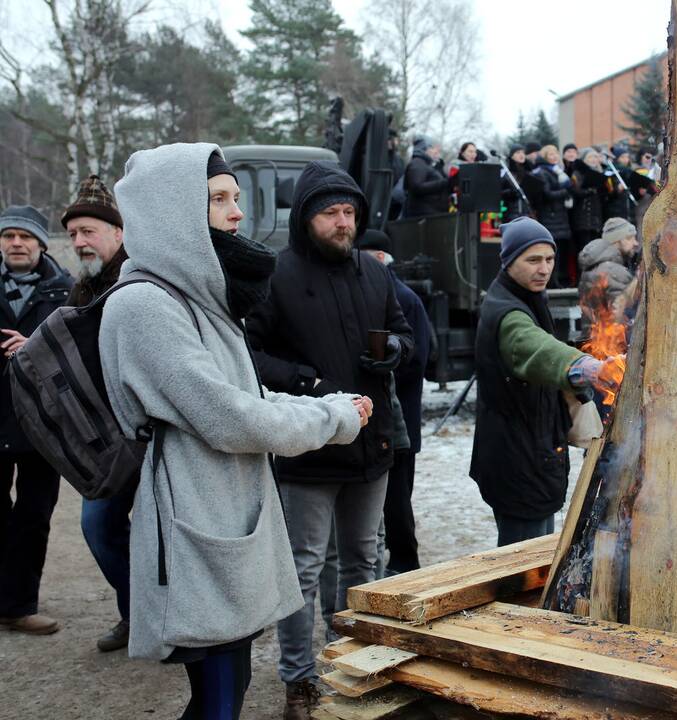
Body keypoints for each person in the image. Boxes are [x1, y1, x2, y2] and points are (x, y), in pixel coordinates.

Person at [99, 143, 369, 720]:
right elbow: (231, 418)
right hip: (194, 520)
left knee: (230, 685)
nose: (238, 213)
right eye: (218, 199)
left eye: (235, 198)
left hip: (224, 513)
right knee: (219, 698)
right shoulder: (145, 304)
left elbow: (246, 395)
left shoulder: (201, 296)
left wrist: (328, 404)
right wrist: (332, 419)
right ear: (173, 210)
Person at [244, 160, 413, 720]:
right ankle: (297, 678)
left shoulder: (374, 270)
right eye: (330, 213)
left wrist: (393, 352)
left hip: (372, 443)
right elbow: (253, 353)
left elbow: (405, 331)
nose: (343, 223)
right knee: (303, 567)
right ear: (306, 219)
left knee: (364, 560)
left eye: (349, 213)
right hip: (308, 445)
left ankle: (351, 660)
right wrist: (307, 383)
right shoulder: (277, 274)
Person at [470, 217, 618, 546]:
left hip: (527, 453)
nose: (544, 269)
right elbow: (537, 348)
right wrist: (588, 368)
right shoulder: (508, 313)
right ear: (509, 260)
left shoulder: (523, 296)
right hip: (517, 458)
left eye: (549, 259)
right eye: (533, 260)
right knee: (523, 563)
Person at [61, 175, 134, 651]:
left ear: (118, 232)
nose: (80, 241)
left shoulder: (136, 281)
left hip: (146, 434)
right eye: (72, 235)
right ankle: (136, 611)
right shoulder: (82, 287)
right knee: (99, 526)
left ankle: (165, 619)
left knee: (158, 533)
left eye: (89, 231)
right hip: (104, 440)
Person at [0, 205, 73, 636]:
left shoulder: (64, 292)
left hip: (42, 424)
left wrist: (35, 349)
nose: (16, 244)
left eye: (25, 237)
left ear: (41, 244)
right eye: (8, 236)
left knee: (33, 516)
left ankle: (19, 605)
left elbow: (78, 352)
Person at [356, 228, 432, 573]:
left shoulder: (405, 299)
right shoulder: (366, 293)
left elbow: (419, 356)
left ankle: (404, 562)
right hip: (377, 415)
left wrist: (381, 369)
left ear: (384, 260)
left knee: (399, 497)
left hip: (400, 415)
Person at [578, 217, 640, 335]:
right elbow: (621, 317)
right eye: (629, 238)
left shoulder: (595, 266)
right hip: (612, 346)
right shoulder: (613, 271)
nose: (635, 243)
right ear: (616, 241)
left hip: (594, 343)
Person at [532, 145, 574, 287]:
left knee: (562, 252)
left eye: (556, 153)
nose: (555, 156)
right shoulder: (542, 172)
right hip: (550, 217)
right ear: (545, 156)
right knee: (551, 252)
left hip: (561, 217)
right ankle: (552, 282)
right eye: (551, 154)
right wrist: (566, 192)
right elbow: (547, 194)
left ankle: (560, 280)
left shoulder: (558, 171)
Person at [569, 148, 606, 256]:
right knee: (584, 248)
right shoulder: (577, 173)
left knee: (596, 248)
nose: (593, 159)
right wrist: (589, 190)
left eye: (595, 156)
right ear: (584, 159)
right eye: (590, 157)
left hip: (596, 215)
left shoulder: (600, 172)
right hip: (583, 214)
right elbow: (575, 190)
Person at [402, 136, 449, 218]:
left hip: (430, 214)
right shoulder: (418, 164)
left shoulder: (426, 164)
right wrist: (444, 183)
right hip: (422, 216)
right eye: (432, 147)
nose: (436, 151)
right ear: (424, 149)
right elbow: (417, 186)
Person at [500, 144, 532, 222]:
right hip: (512, 214)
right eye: (518, 152)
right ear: (511, 156)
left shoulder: (529, 171)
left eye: (523, 152)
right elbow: (499, 193)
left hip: (528, 213)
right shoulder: (507, 174)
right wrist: (511, 193)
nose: (521, 155)